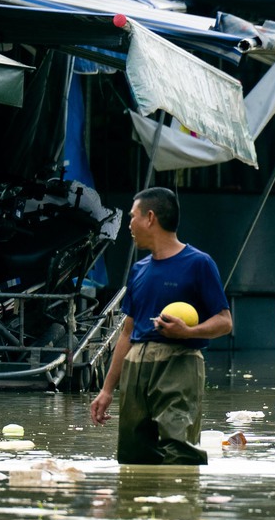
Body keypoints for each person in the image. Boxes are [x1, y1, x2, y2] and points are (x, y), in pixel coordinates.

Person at [89, 188, 233, 466]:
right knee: (134, 455)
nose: (129, 224)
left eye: (133, 216)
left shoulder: (198, 264)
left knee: (179, 450)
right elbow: (127, 332)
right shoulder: (139, 270)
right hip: (136, 365)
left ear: (150, 218)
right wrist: (107, 390)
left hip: (179, 364)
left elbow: (225, 322)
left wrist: (188, 333)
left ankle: (179, 505)